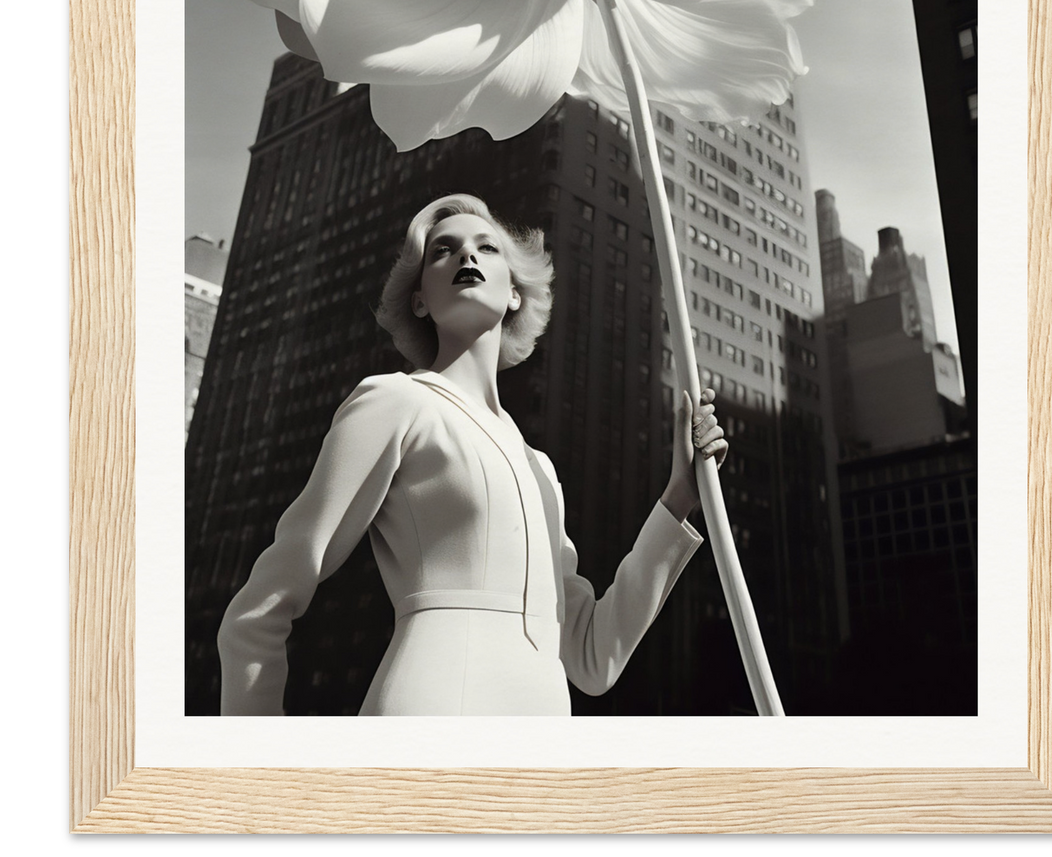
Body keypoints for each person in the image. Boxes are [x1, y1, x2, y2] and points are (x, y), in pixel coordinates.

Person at [218, 193, 727, 716]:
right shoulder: (396, 401)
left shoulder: (539, 467)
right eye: (444, 250)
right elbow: (260, 611)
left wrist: (679, 496)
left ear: (514, 294)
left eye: (487, 248)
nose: (467, 257)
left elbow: (592, 659)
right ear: (419, 300)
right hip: (431, 712)